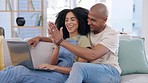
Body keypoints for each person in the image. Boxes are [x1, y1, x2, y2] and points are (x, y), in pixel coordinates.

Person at [0, 7, 91, 83]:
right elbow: (53, 63)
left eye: (73, 19)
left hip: (66, 77)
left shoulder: (83, 40)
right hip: (54, 73)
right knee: (15, 68)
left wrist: (53, 67)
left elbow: (80, 70)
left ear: (80, 21)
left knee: (20, 72)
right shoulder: (63, 40)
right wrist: (56, 46)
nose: (69, 23)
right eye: (66, 20)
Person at [48, 3, 121, 83]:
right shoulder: (90, 31)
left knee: (78, 66)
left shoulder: (111, 34)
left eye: (93, 20)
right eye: (88, 19)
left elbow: (93, 54)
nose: (89, 22)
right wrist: (40, 38)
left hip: (110, 72)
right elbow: (70, 39)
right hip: (90, 70)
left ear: (105, 20)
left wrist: (61, 41)